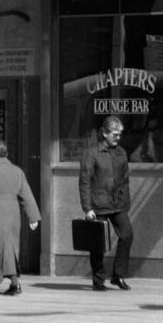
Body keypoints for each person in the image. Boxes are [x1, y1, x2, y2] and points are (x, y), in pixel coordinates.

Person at [0, 139, 40, 296]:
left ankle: (13, 283)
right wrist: (33, 217)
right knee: (10, 246)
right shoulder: (17, 171)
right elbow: (26, 194)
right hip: (14, 212)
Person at [79, 115, 133, 291]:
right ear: (104, 133)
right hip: (98, 204)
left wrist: (125, 199)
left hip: (118, 204)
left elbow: (125, 178)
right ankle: (98, 280)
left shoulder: (121, 153)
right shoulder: (92, 153)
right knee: (98, 244)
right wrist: (87, 208)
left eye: (120, 134)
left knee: (127, 235)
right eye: (115, 134)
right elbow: (85, 181)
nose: (118, 138)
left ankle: (118, 276)